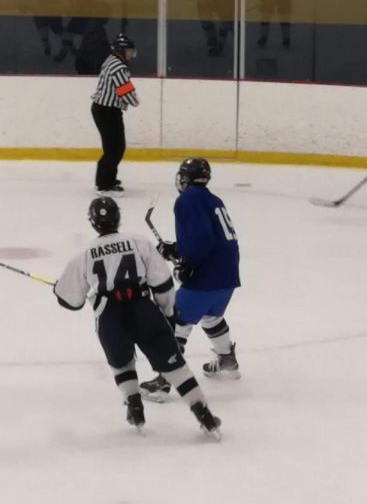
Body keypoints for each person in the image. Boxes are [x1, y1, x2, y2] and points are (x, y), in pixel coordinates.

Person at [53, 197, 221, 437]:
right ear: (117, 217)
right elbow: (162, 284)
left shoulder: (85, 254)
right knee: (175, 366)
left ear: (93, 223)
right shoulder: (139, 242)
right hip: (142, 310)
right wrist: (168, 313)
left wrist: (59, 289)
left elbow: (70, 301)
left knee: (120, 362)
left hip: (109, 315)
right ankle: (204, 414)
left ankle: (134, 407)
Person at [139, 158, 242, 402]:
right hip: (227, 276)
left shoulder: (187, 199)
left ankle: (164, 381)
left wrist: (189, 263)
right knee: (210, 316)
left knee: (174, 323)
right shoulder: (213, 200)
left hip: (206, 277)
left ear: (183, 178)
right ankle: (227, 359)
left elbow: (202, 239)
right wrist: (177, 251)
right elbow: (210, 238)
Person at [90, 33, 139, 196]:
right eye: (130, 51)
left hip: (106, 110)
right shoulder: (118, 66)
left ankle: (108, 179)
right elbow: (124, 88)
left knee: (114, 147)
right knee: (114, 148)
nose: (131, 54)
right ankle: (104, 184)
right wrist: (134, 100)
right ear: (122, 50)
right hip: (107, 111)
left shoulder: (111, 60)